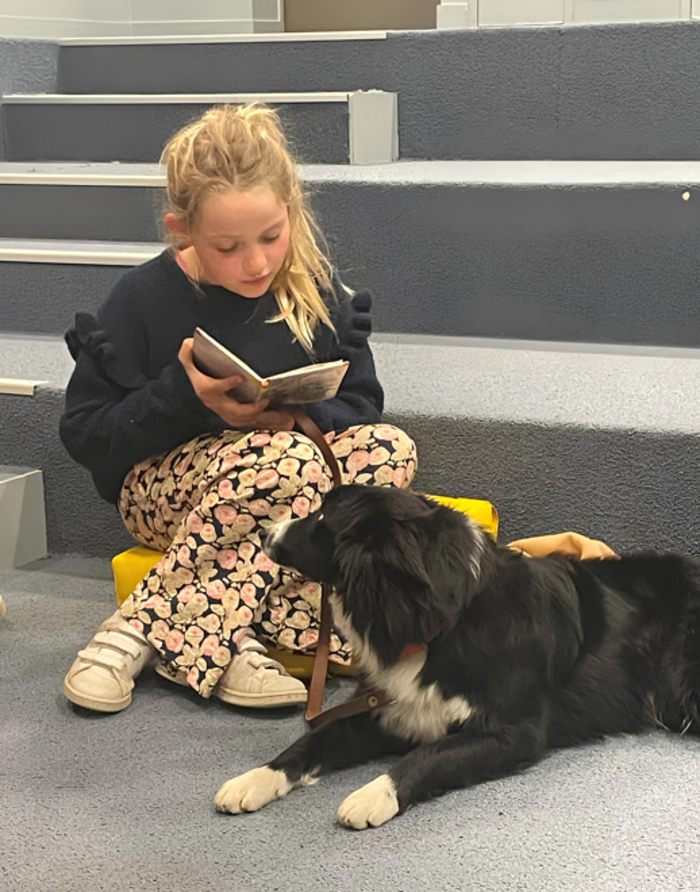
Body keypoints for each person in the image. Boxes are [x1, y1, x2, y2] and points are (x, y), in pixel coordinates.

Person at [60, 103, 418, 713]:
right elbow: (87, 436)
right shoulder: (142, 298)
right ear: (183, 229)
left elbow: (363, 402)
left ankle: (227, 635)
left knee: (391, 451)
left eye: (271, 237)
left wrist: (298, 420)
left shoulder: (314, 287)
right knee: (285, 464)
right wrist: (181, 397)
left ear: (291, 212)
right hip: (164, 492)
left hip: (284, 480)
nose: (255, 263)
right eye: (227, 246)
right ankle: (133, 632)